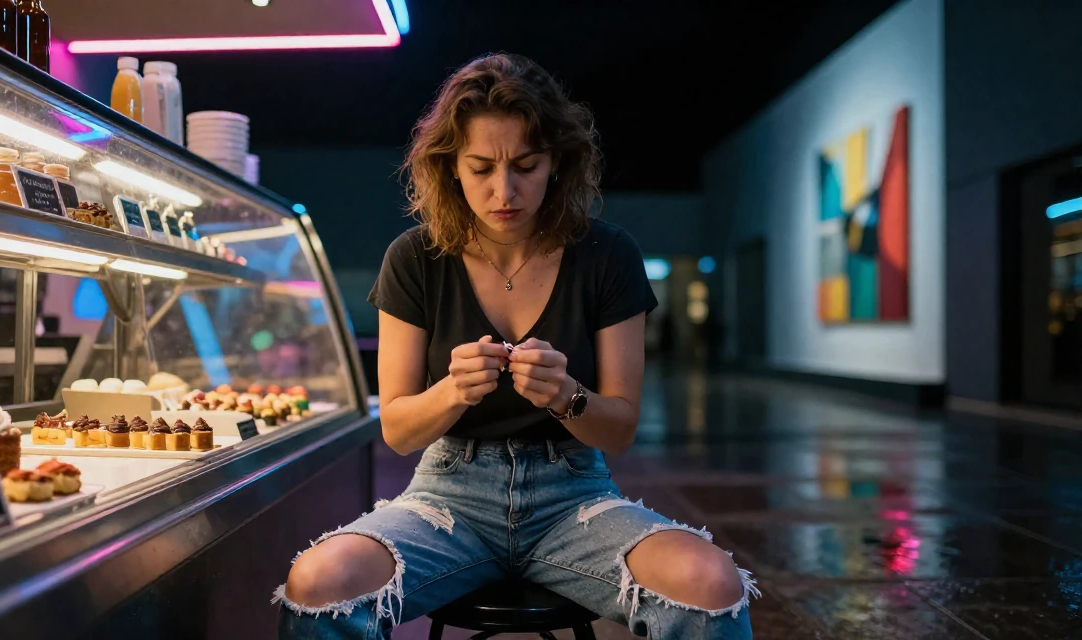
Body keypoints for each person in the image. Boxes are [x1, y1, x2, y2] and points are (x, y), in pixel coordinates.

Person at [276, 53, 757, 639]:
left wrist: (568, 397)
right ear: (451, 166)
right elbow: (398, 431)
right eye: (481, 168)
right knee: (318, 583)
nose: (504, 190)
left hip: (574, 497)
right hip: (448, 497)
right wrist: (453, 391)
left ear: (556, 161)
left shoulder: (607, 255)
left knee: (710, 584)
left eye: (526, 165)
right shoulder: (415, 258)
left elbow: (621, 427)